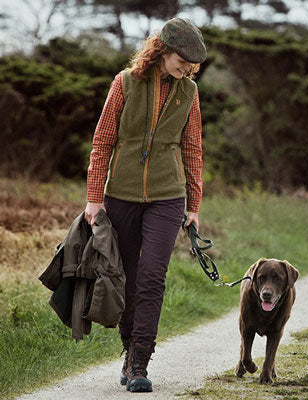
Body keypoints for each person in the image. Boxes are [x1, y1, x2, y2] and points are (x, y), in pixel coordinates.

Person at [84, 17, 206, 393]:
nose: (186, 69)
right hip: (120, 194)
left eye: (191, 65)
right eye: (181, 61)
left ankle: (140, 360)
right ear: (163, 50)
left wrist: (194, 203)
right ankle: (128, 349)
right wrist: (93, 198)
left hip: (168, 197)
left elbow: (192, 148)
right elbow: (102, 141)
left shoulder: (190, 93)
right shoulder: (125, 83)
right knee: (128, 278)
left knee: (152, 276)